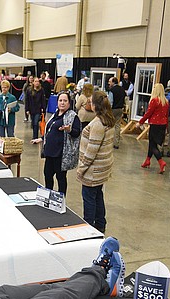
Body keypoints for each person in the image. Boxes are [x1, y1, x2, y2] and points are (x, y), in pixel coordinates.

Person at [77, 91, 116, 233]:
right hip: (102, 168)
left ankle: (88, 228)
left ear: (94, 105)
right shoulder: (108, 120)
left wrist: (81, 169)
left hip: (93, 170)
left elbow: (91, 152)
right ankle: (100, 224)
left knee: (89, 199)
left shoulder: (98, 124)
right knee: (98, 195)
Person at [41, 91, 81, 196]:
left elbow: (77, 133)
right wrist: (41, 139)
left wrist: (69, 130)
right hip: (49, 152)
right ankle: (48, 198)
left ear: (69, 103)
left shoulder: (73, 116)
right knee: (47, 175)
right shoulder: (55, 114)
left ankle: (61, 200)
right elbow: (49, 130)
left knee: (61, 178)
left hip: (61, 154)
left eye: (65, 101)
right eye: (60, 100)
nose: (62, 103)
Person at [138, 83, 169, 174]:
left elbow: (148, 113)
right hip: (162, 125)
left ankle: (161, 161)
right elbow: (166, 115)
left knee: (153, 145)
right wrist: (166, 127)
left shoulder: (154, 100)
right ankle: (147, 160)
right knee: (153, 144)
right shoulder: (166, 101)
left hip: (155, 124)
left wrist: (141, 122)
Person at [24, 77, 46, 142]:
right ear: (33, 82)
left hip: (38, 109)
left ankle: (35, 137)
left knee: (36, 123)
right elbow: (27, 100)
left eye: (38, 81)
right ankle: (34, 133)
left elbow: (43, 100)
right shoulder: (29, 90)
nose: (37, 83)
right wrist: (27, 110)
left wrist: (43, 109)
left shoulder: (41, 90)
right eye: (35, 81)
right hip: (31, 109)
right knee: (33, 123)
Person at [107, 77, 126, 149]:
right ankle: (116, 143)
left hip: (113, 109)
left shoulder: (112, 90)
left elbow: (110, 102)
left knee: (110, 125)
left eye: (110, 81)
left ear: (113, 82)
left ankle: (108, 142)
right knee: (117, 126)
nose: (109, 83)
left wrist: (108, 110)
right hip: (120, 109)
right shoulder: (122, 89)